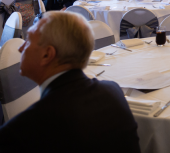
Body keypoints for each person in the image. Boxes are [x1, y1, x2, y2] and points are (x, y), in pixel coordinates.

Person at [0, 11, 141, 152]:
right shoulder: (113, 91)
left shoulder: (21, 132)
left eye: (28, 40)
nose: (20, 48)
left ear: (47, 54)